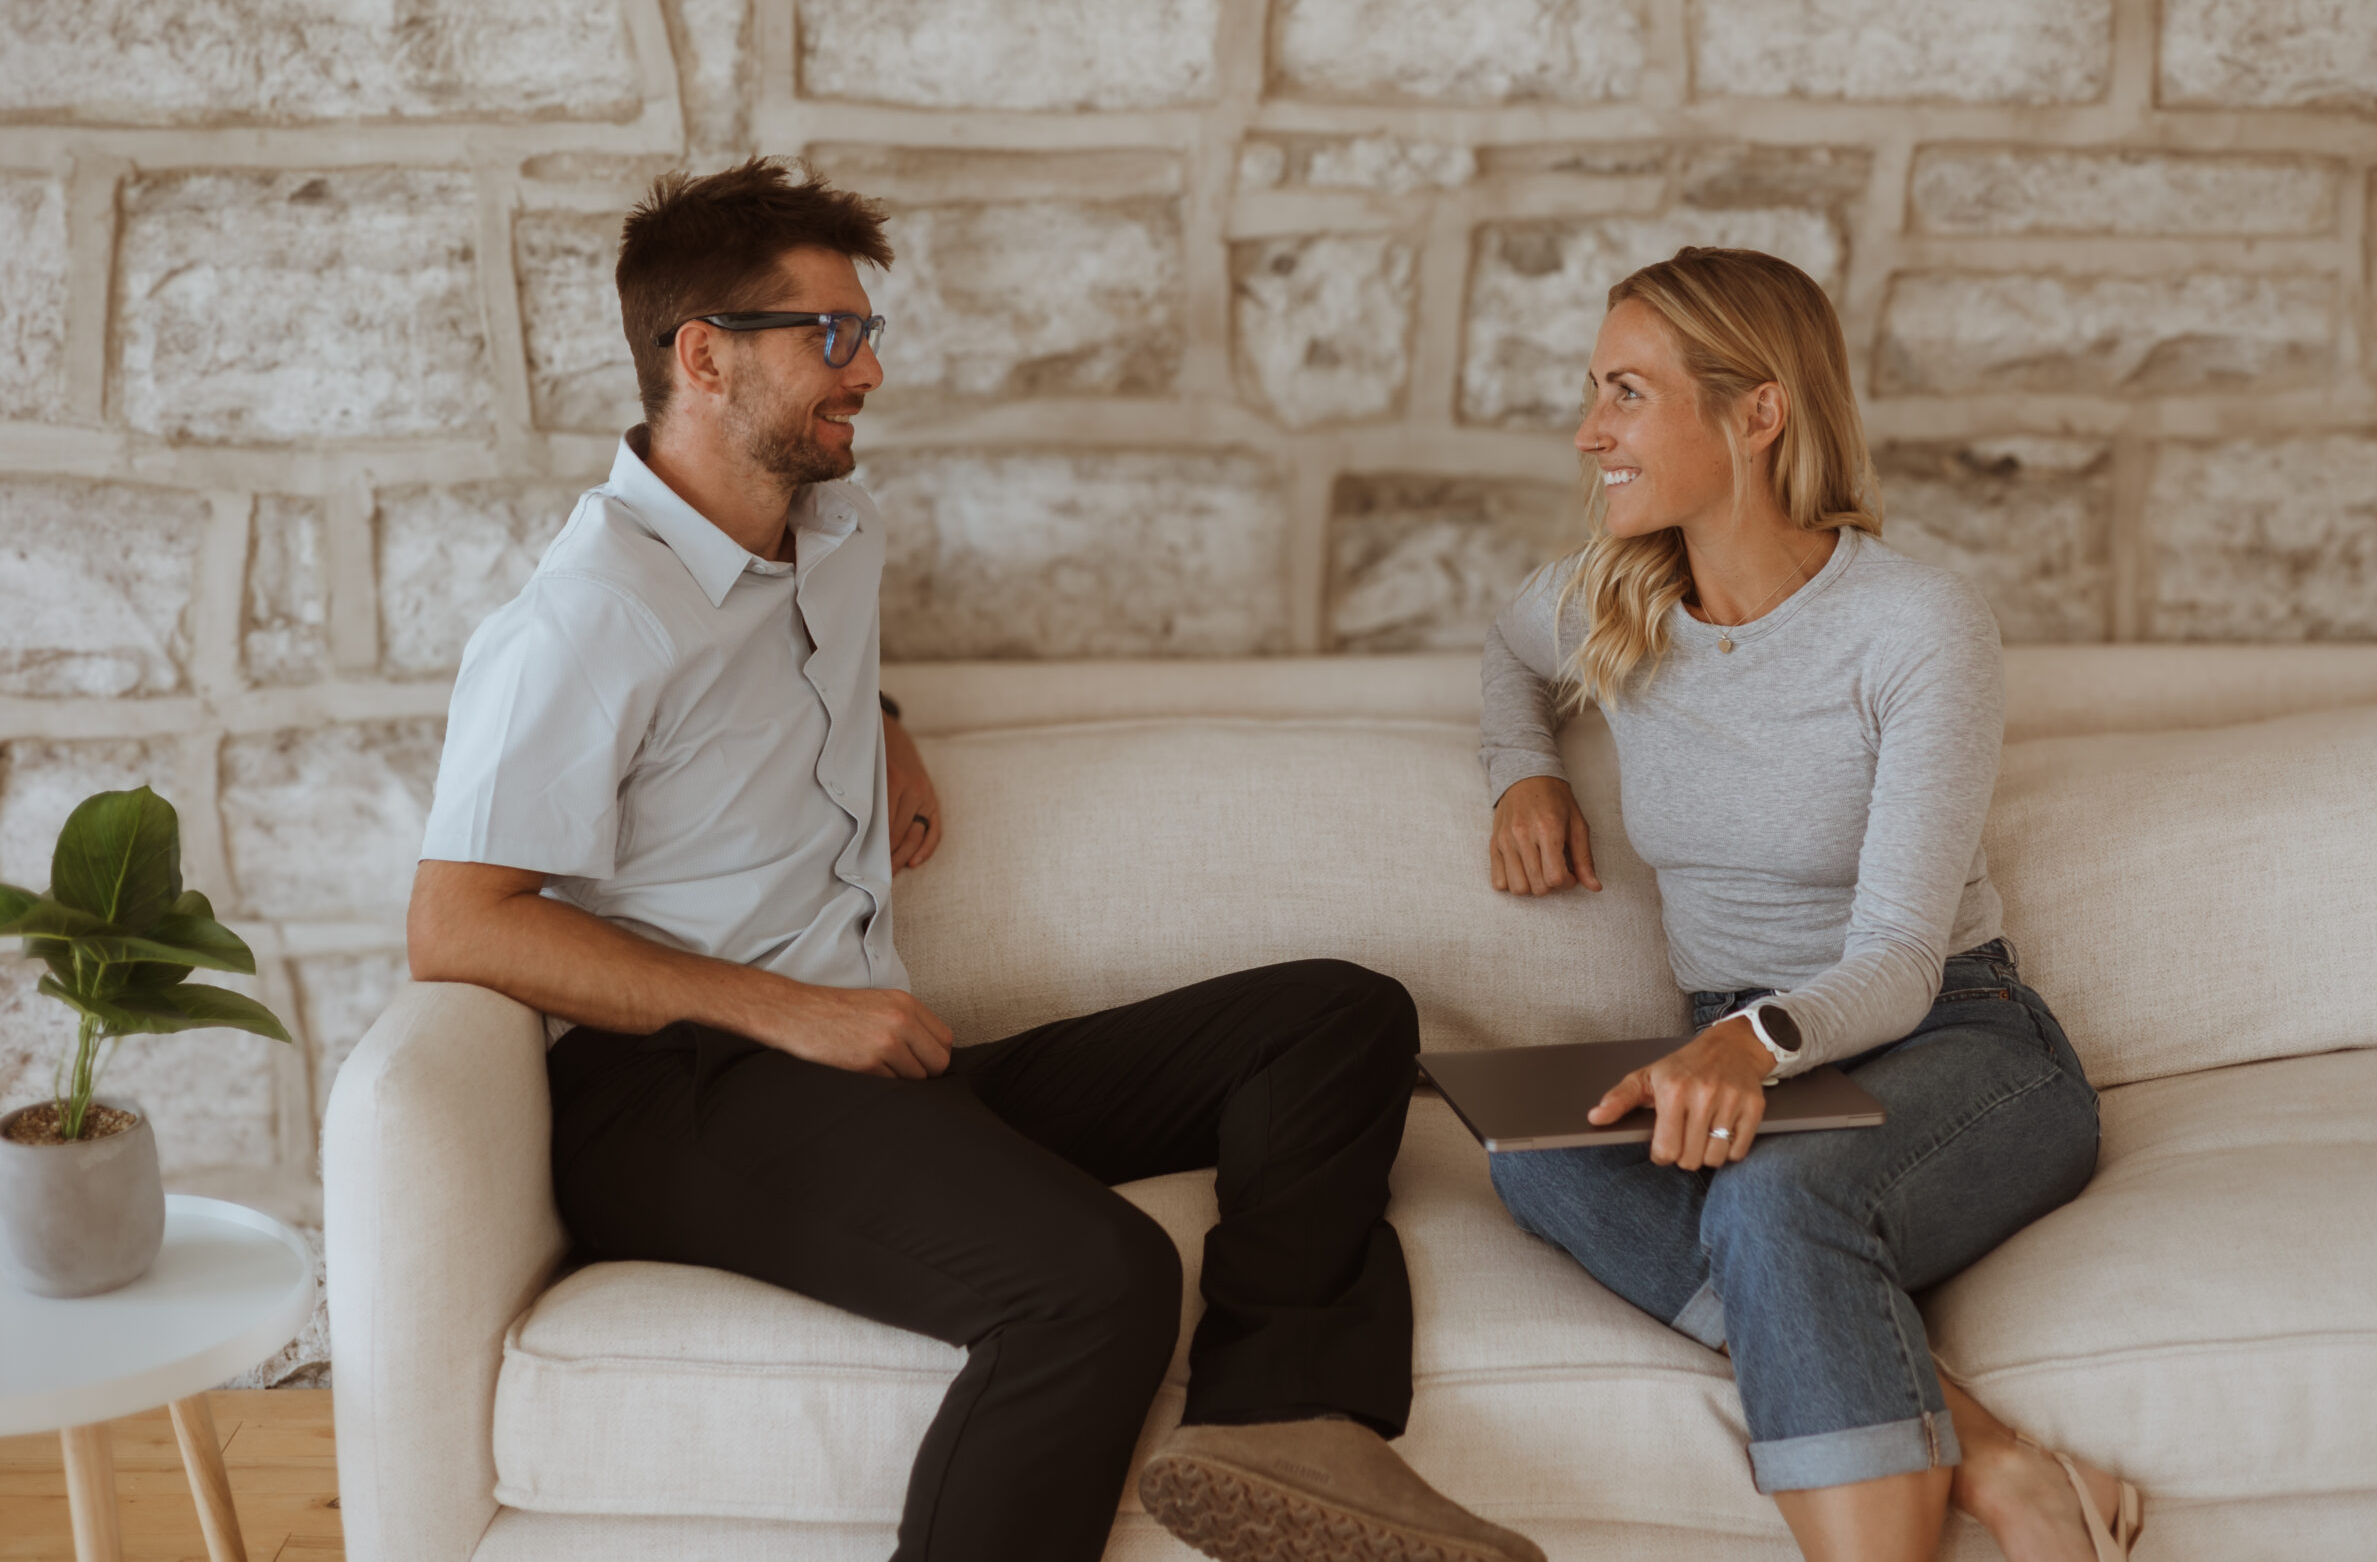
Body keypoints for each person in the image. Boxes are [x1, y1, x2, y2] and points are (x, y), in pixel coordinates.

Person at [406, 158, 1541, 1562]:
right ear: (701, 355)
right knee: (1100, 1283)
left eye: (866, 332)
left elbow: (770, 669)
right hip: (677, 1094)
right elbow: (459, 925)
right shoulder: (579, 621)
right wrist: (790, 1011)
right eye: (831, 334)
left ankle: (1277, 1425)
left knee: (1340, 1016)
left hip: (867, 1067)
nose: (867, 369)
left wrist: (877, 718)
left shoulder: (829, 530)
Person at [1477, 247, 2145, 1562]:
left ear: (1758, 412)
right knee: (1535, 1157)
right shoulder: (1617, 607)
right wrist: (1526, 778)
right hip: (1740, 1054)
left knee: (1773, 1202)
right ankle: (1996, 1460)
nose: (1589, 431)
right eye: (1594, 391)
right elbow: (1504, 648)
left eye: (1626, 392)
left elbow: (1897, 958)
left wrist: (1752, 1044)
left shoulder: (1913, 626)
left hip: (1953, 1039)